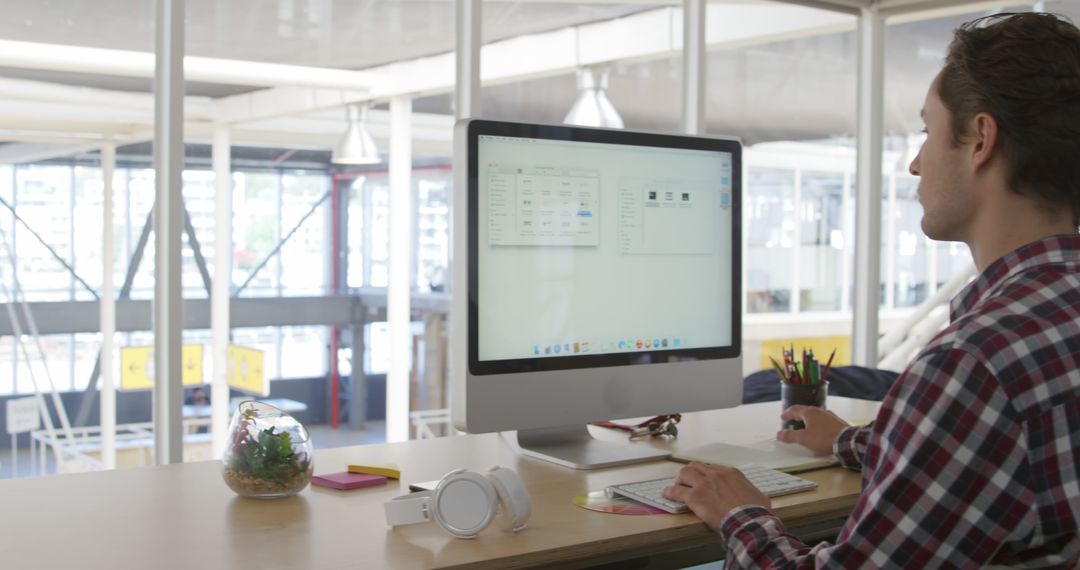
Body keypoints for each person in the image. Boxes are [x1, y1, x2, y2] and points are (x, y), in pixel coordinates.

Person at [663, 12, 1080, 568]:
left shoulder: (973, 365)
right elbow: (1002, 452)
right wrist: (853, 440)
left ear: (980, 139)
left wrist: (742, 512)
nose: (914, 163)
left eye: (928, 132)